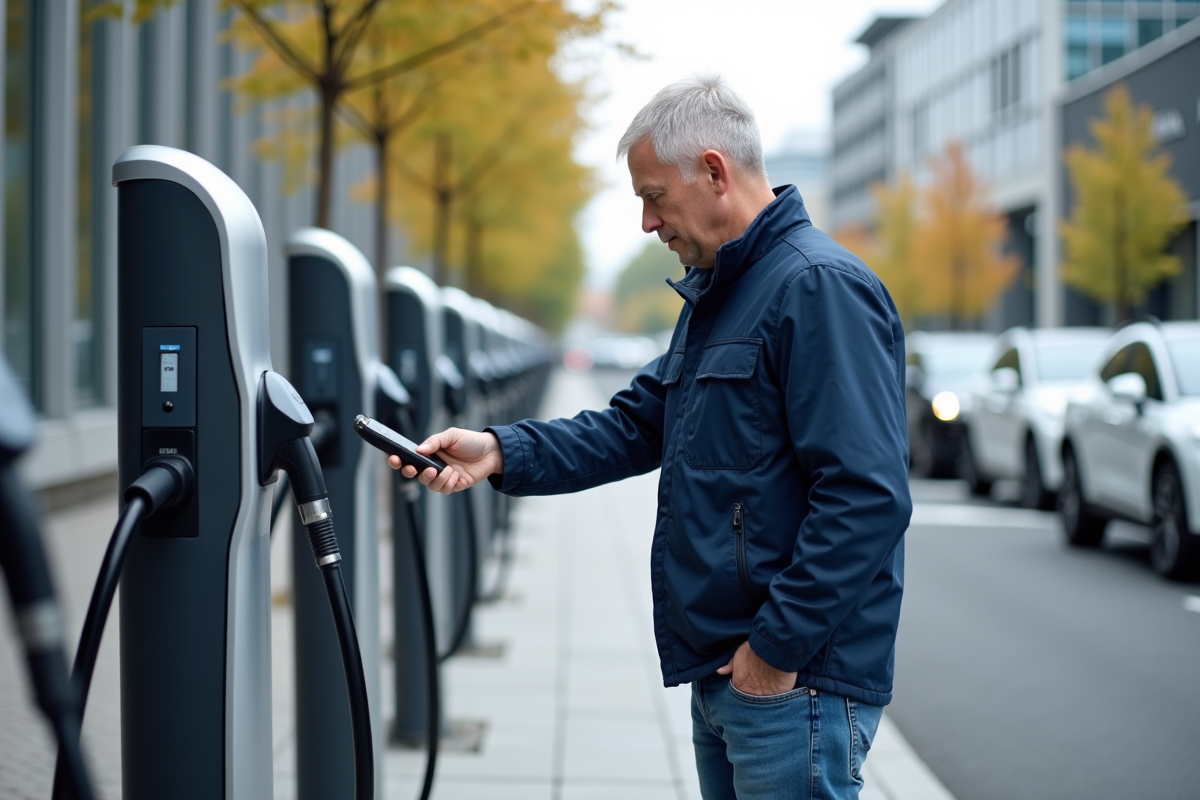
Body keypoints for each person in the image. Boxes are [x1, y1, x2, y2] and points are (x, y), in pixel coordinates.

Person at [390, 75, 912, 800]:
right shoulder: (722, 292)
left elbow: (867, 497)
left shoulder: (817, 287)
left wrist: (775, 650)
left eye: (653, 197)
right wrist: (501, 450)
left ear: (714, 171)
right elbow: (636, 425)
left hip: (791, 683)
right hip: (735, 669)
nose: (646, 223)